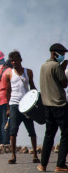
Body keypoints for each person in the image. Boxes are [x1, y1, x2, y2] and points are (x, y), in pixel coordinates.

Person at [37, 43, 68, 172]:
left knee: (49, 135)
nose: (63, 56)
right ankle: (60, 164)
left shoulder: (44, 66)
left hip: (47, 106)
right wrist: (63, 67)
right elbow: (64, 84)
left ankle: (43, 164)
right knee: (66, 134)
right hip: (59, 105)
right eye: (61, 54)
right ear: (54, 53)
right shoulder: (56, 66)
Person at [4, 51, 39, 164]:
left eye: (15, 60)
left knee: (31, 130)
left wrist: (37, 100)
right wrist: (8, 108)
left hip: (27, 106)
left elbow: (32, 87)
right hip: (14, 105)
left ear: (20, 60)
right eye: (12, 61)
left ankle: (34, 154)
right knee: (13, 131)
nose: (14, 62)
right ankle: (13, 156)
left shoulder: (28, 72)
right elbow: (8, 92)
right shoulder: (9, 74)